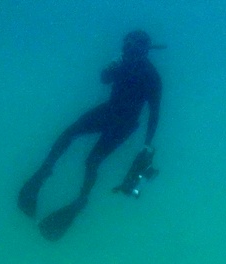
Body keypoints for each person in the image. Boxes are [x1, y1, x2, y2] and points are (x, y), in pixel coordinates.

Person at [17, 29, 163, 241]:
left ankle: (81, 200)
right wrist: (111, 66)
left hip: (124, 124)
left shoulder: (152, 76)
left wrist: (147, 145)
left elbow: (154, 113)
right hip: (109, 110)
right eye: (126, 46)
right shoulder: (122, 64)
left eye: (132, 47)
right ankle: (43, 172)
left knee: (92, 161)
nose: (127, 51)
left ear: (143, 50)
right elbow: (104, 79)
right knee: (69, 133)